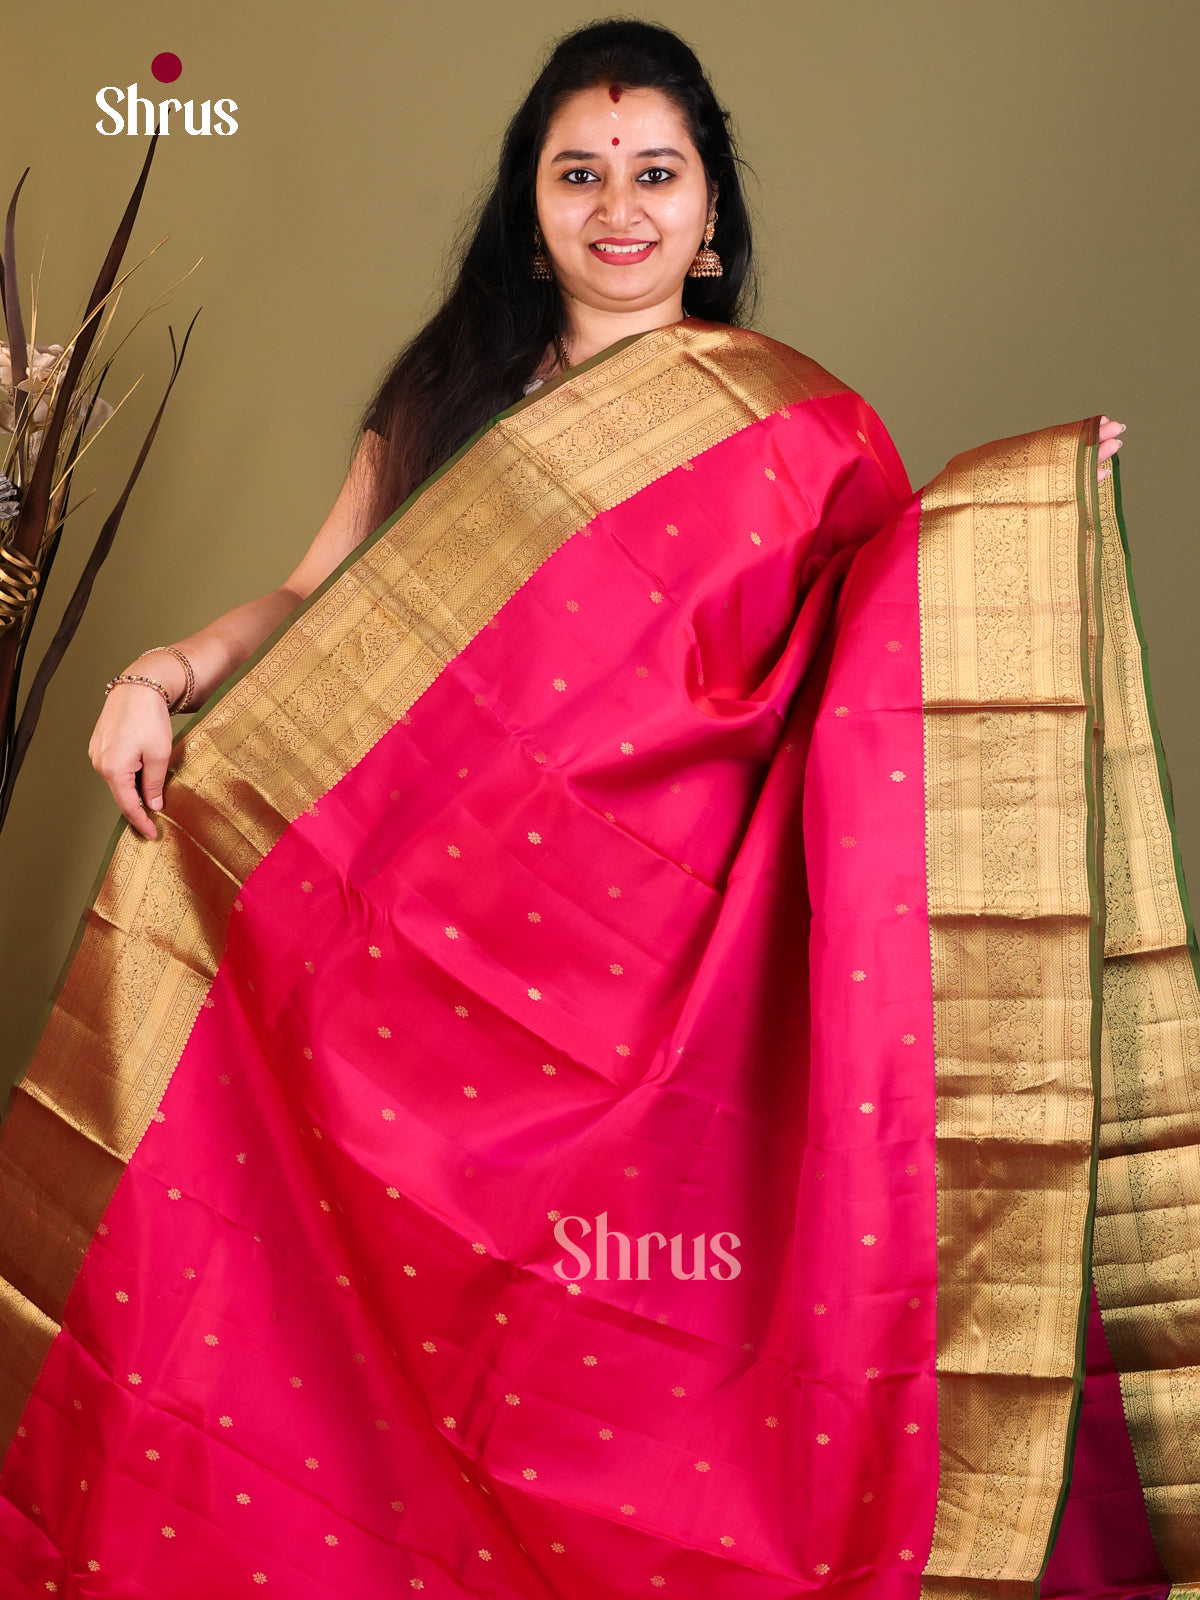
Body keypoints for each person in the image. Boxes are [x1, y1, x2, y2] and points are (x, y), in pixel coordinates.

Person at [0, 18, 1192, 1599]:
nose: (618, 206)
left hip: (664, 984)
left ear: (710, 215)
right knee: (312, 1338)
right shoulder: (451, 405)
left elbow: (881, 652)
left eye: (655, 173)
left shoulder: (789, 427)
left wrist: (1017, 510)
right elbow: (307, 599)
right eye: (579, 174)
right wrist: (160, 675)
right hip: (412, 960)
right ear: (530, 209)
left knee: (636, 1373)